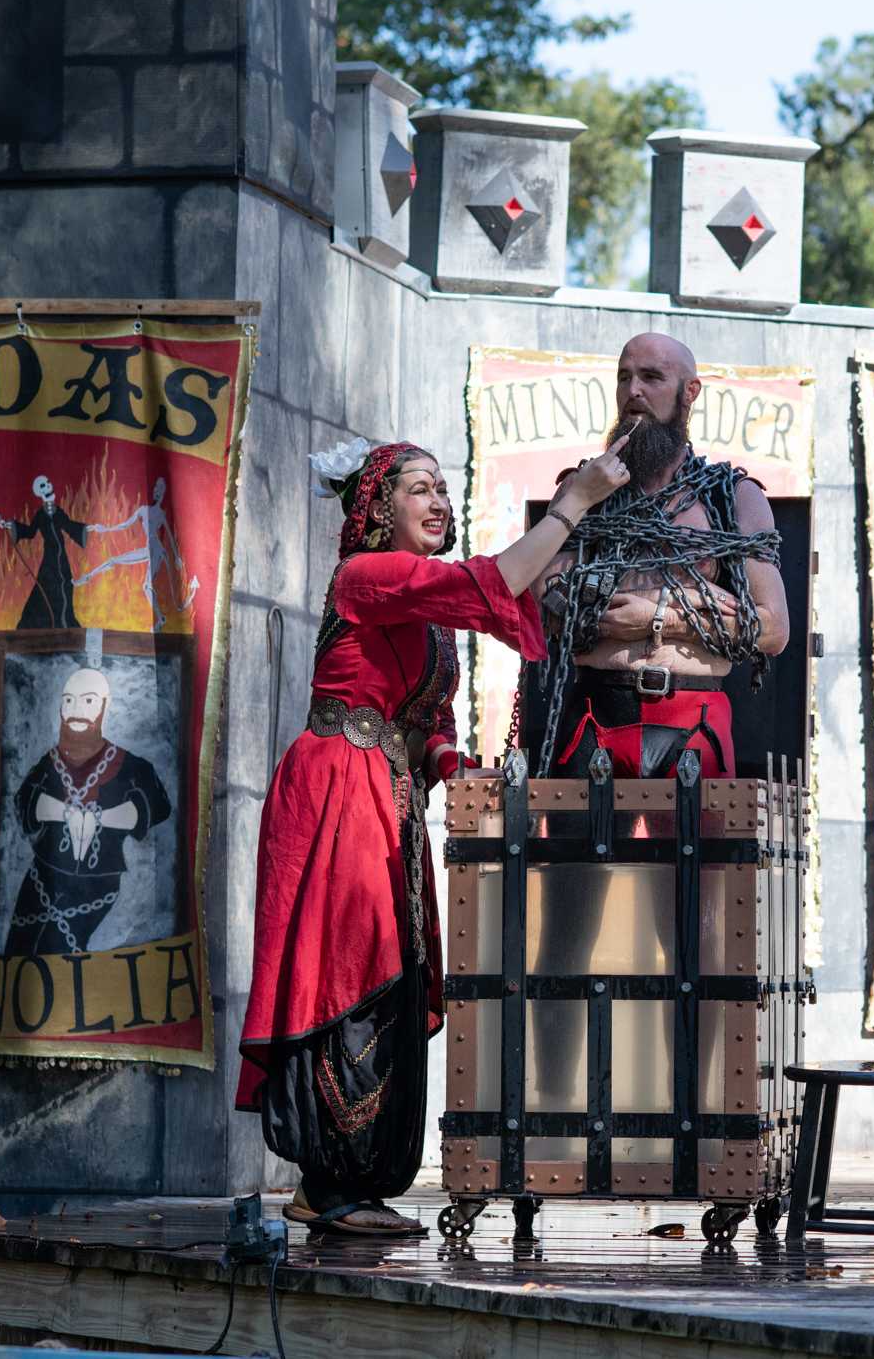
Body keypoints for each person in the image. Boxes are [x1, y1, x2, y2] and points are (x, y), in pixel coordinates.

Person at [237, 434, 630, 1237]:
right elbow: (489, 582)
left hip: (385, 798)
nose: (440, 502)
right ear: (379, 508)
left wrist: (461, 765)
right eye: (421, 488)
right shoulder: (365, 575)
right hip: (339, 794)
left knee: (394, 975)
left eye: (445, 488)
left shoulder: (423, 616)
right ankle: (329, 1180)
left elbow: (429, 718)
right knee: (351, 976)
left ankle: (356, 1183)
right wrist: (572, 504)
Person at [529, 332, 790, 778]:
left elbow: (773, 629)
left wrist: (660, 615)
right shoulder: (581, 490)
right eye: (624, 378)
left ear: (690, 392)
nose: (634, 391)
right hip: (594, 716)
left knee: (700, 849)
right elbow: (546, 605)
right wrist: (705, 597)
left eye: (651, 377)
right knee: (574, 850)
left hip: (696, 720)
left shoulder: (735, 498)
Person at [3, 665, 174, 956]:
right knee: (18, 946)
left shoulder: (130, 765)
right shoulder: (50, 762)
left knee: (59, 950)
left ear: (104, 707)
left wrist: (102, 818)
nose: (76, 709)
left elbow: (159, 806)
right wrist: (64, 813)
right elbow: (24, 801)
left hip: (100, 881)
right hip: (41, 876)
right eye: (68, 700)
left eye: (89, 700)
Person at [80, 476, 198, 630]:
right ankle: (88, 577)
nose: (156, 490)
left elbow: (169, 535)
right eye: (155, 487)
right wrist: (104, 528)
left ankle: (161, 620)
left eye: (160, 488)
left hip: (157, 550)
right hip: (148, 549)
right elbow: (124, 525)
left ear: (163, 493)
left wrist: (176, 558)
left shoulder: (161, 514)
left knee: (147, 586)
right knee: (114, 560)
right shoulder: (143, 510)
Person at [6, 474, 91, 630]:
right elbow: (31, 532)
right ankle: (39, 626)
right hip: (50, 558)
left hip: (62, 557)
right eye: (43, 485)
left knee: (66, 586)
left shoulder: (58, 511)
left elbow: (68, 525)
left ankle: (67, 623)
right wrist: (13, 527)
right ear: (39, 492)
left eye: (48, 482)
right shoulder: (40, 514)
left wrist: (84, 530)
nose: (48, 486)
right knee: (47, 588)